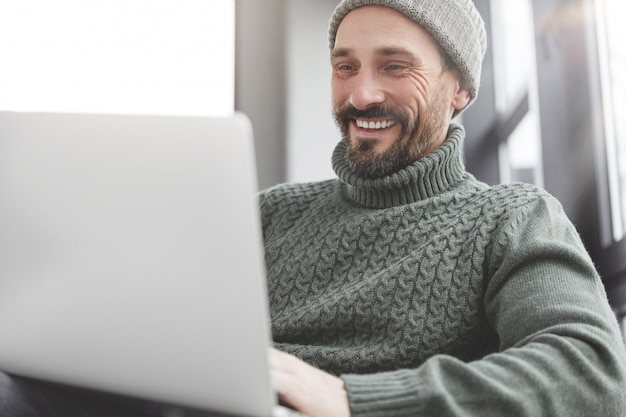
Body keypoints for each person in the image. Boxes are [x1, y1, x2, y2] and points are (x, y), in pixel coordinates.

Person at [265, 0, 626, 416]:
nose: (361, 95)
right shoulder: (270, 214)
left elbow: (590, 376)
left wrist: (351, 400)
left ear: (460, 89)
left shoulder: (512, 219)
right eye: (346, 67)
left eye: (395, 66)